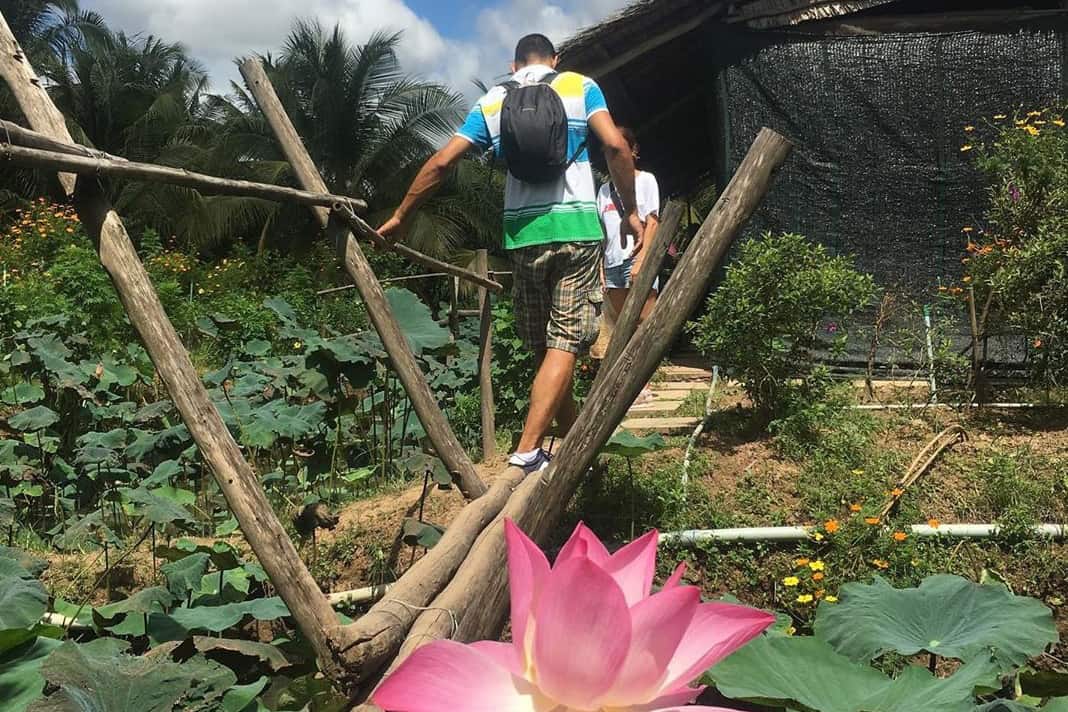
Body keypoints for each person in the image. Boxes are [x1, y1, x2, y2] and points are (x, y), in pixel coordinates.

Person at [378, 33, 642, 474]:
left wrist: (403, 215)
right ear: (555, 60)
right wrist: (630, 211)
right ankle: (527, 449)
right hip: (576, 230)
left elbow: (442, 162)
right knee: (566, 342)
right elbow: (615, 146)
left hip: (523, 235)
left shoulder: (493, 102)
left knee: (543, 345)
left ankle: (571, 443)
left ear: (514, 65)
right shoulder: (580, 86)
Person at [597, 127, 660, 404]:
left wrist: (643, 259)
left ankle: (641, 383)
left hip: (636, 260)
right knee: (622, 327)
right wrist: (599, 269)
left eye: (621, 149)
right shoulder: (603, 191)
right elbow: (600, 233)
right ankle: (624, 386)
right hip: (611, 264)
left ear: (633, 151)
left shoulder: (646, 180)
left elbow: (653, 222)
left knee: (643, 324)